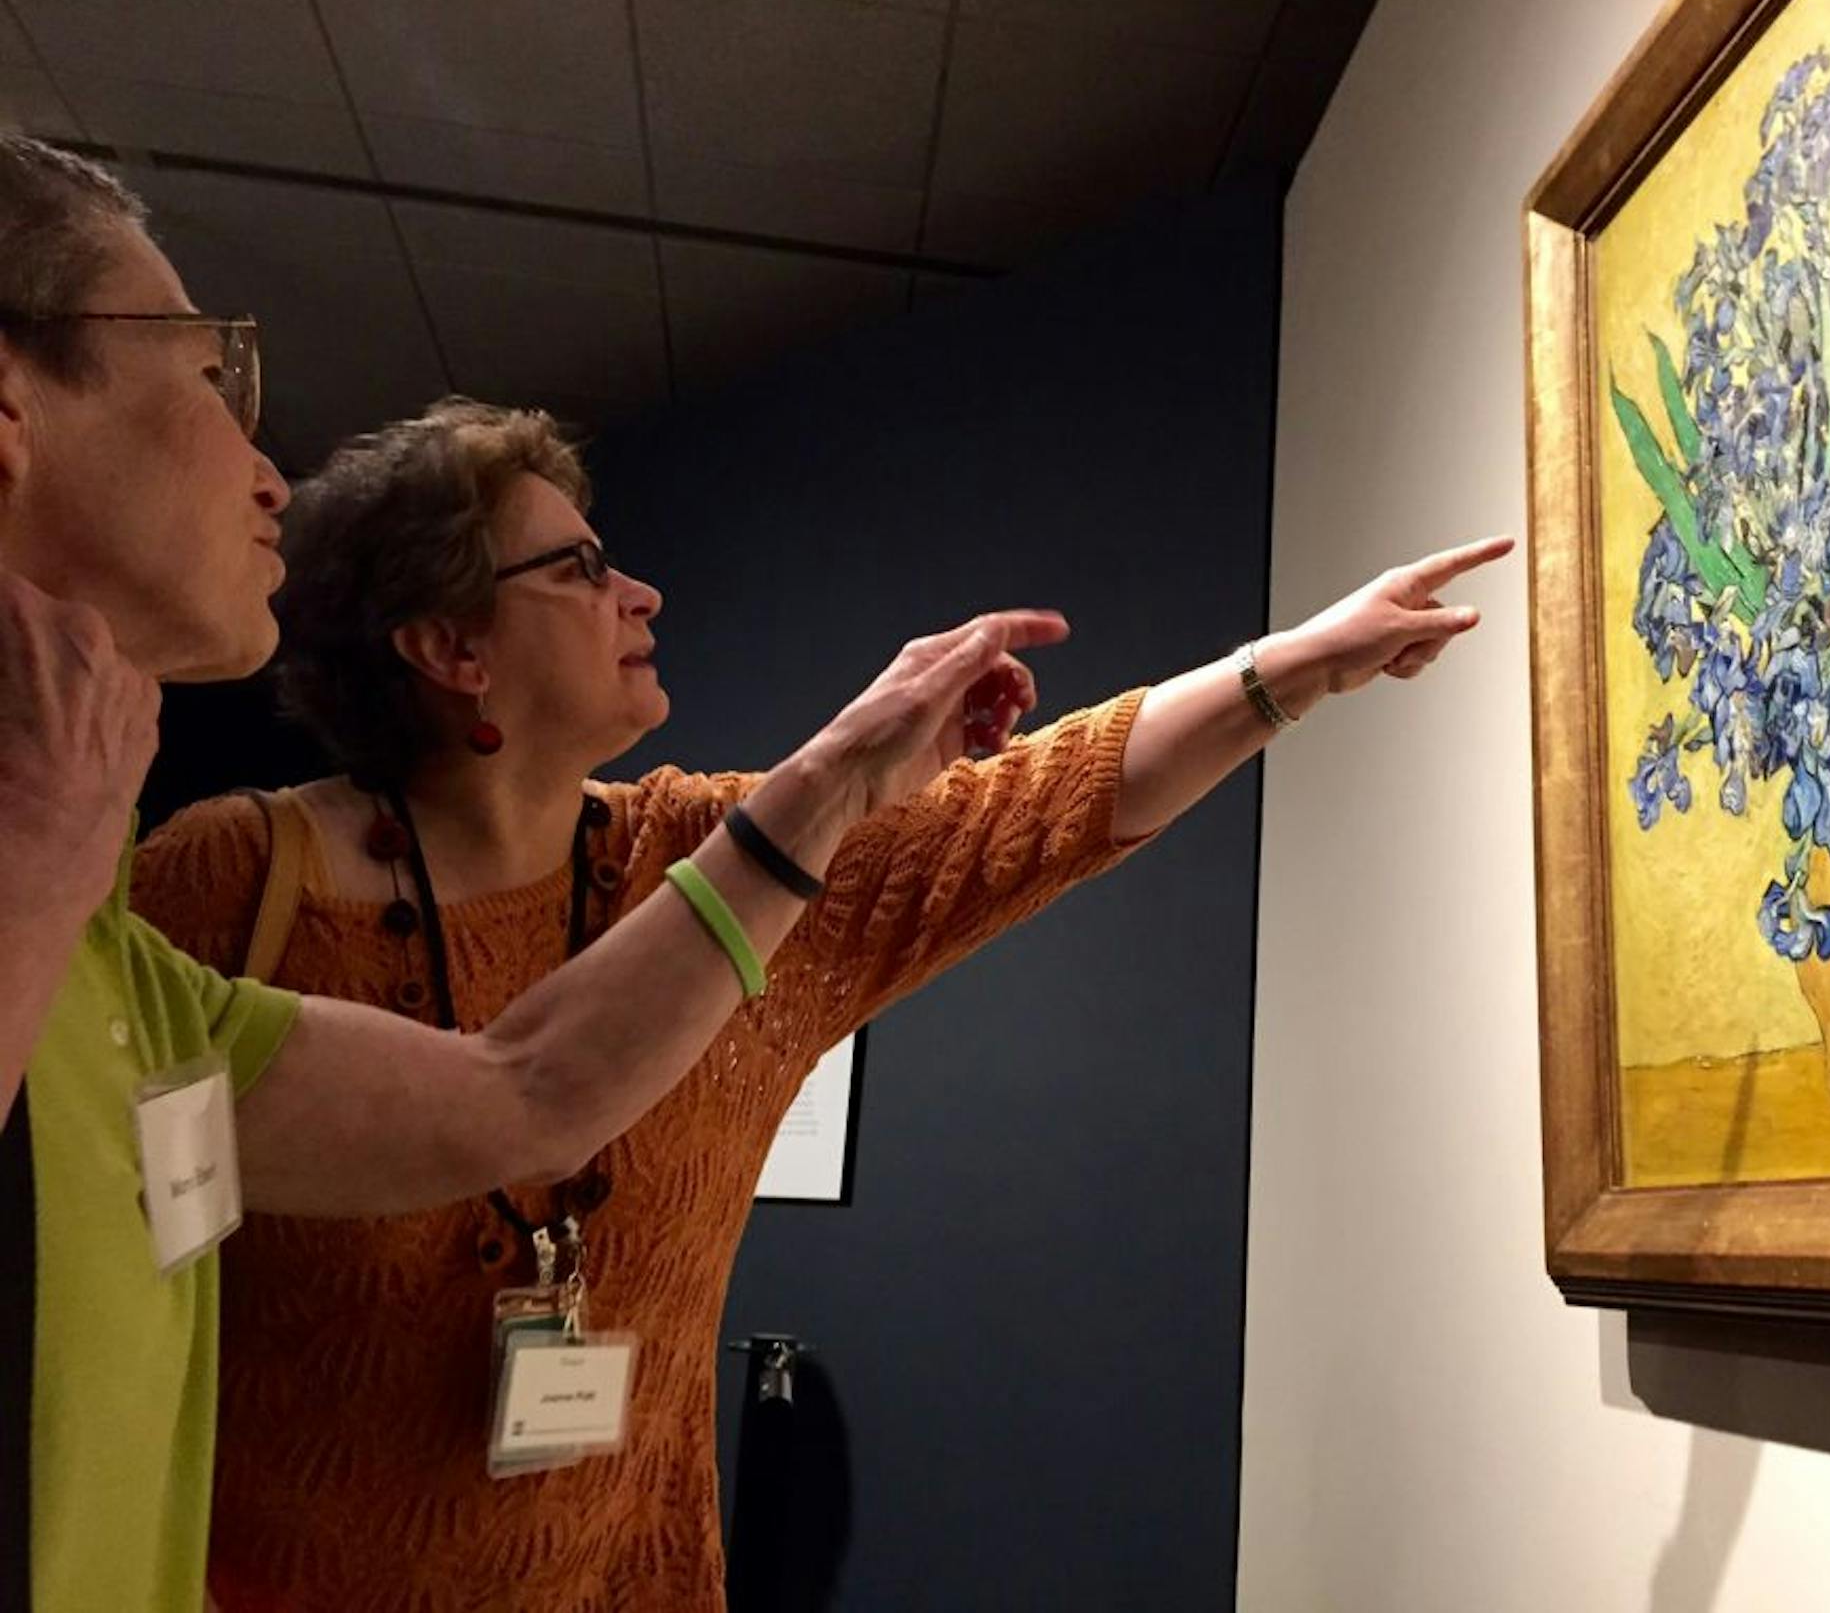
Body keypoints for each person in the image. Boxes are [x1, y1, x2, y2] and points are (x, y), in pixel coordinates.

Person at [130, 395, 1513, 1609]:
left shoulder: (697, 857)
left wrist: (1303, 663)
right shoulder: (237, 888)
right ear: (451, 647)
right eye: (583, 568)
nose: (641, 596)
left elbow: (1045, 801)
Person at [0, 132, 1088, 1613]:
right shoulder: (168, 876)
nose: (264, 470)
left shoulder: (120, 965)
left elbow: (524, 1094)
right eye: (207, 375)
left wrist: (834, 779)